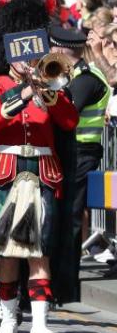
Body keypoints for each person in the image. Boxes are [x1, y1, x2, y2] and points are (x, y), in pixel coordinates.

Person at [0, 0, 78, 333]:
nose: (28, 60)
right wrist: (25, 91)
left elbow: (69, 122)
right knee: (9, 254)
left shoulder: (49, 84)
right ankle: (9, 318)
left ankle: (40, 327)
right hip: (5, 174)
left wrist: (47, 92)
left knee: (38, 252)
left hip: (40, 173)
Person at [48, 24, 111, 290]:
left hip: (82, 153)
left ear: (62, 49)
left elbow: (67, 114)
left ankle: (67, 279)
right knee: (62, 213)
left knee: (72, 215)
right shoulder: (73, 74)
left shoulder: (86, 78)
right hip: (71, 151)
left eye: (53, 47)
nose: (50, 51)